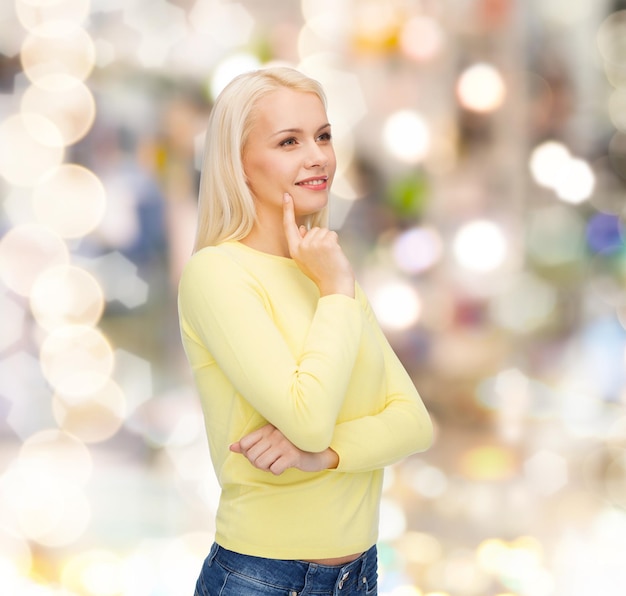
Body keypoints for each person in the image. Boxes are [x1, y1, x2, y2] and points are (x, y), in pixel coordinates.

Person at [177, 66, 433, 596]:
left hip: (358, 574)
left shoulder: (322, 268)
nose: (317, 156)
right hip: (260, 577)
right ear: (239, 163)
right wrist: (338, 290)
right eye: (288, 141)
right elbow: (307, 417)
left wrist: (324, 456)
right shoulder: (219, 273)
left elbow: (413, 422)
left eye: (322, 136)